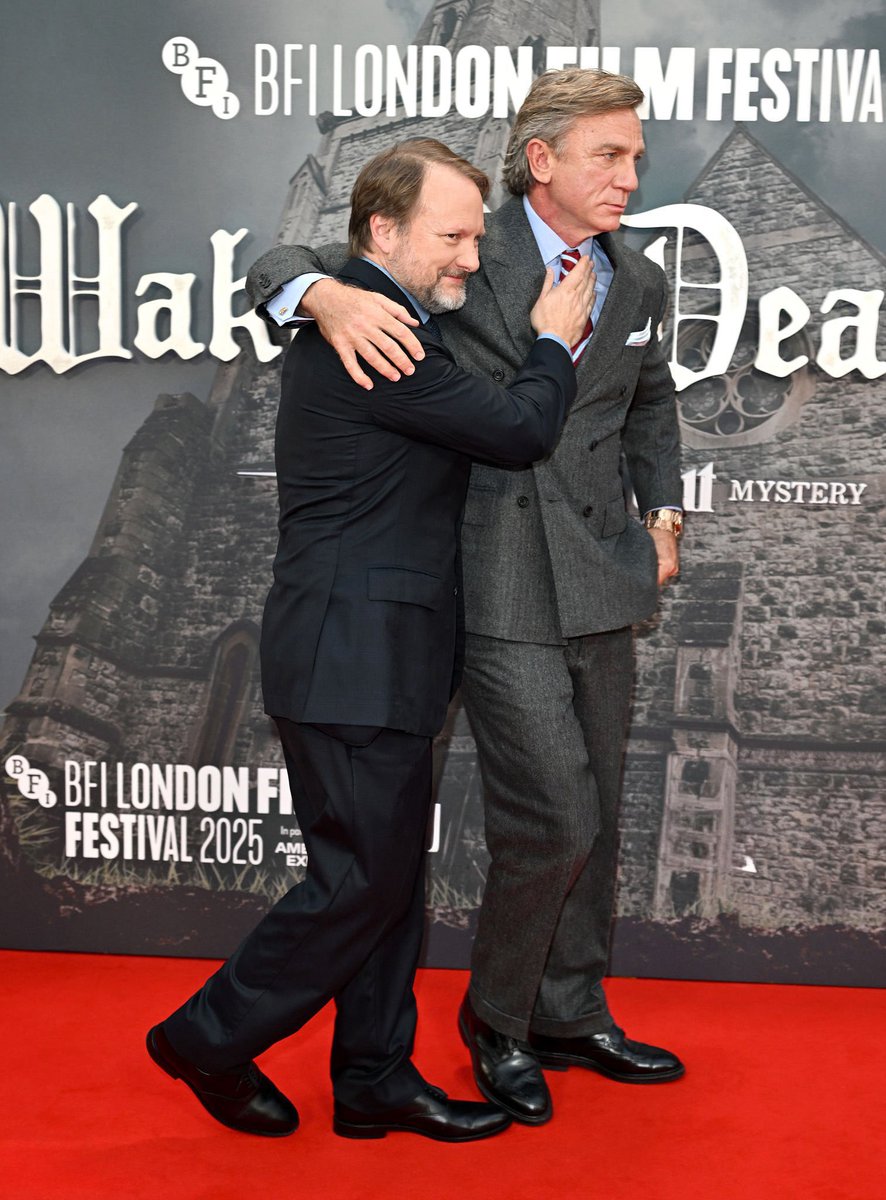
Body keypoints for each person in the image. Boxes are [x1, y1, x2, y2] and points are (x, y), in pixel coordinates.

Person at [247, 67, 685, 1127]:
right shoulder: (456, 239)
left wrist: (663, 515)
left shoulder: (638, 279)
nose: (632, 175)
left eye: (635, 155)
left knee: (599, 820)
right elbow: (287, 256)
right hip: (489, 581)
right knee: (554, 812)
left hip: (605, 575)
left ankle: (568, 1009)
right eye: (610, 156)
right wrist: (322, 292)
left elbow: (650, 403)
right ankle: (497, 1023)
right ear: (541, 161)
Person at [147, 137, 596, 1142]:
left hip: (373, 658)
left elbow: (287, 271)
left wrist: (309, 286)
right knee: (366, 880)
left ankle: (373, 1080)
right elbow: (520, 430)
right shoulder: (375, 329)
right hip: (352, 656)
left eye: (478, 237)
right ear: (381, 231)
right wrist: (553, 342)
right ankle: (205, 1037)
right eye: (452, 236)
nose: (470, 259)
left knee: (385, 879)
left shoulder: (366, 305)